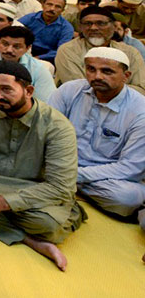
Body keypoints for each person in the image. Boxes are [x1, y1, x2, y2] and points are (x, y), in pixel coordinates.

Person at [0, 60, 84, 271]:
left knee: (47, 225)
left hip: (32, 187)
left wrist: (2, 202)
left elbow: (60, 187)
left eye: (6, 89)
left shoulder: (58, 127)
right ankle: (30, 241)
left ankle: (62, 217)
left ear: (28, 91)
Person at [47, 47, 145, 234]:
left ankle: (63, 185)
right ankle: (65, 185)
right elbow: (44, 131)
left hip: (106, 176)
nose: (97, 76)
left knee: (128, 198)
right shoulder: (70, 90)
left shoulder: (140, 111)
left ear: (126, 75)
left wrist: (75, 175)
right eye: (91, 69)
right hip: (61, 164)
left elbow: (130, 168)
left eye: (107, 71)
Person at [55, 6, 145, 94]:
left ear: (114, 27)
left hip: (125, 105)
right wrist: (117, 87)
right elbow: (79, 89)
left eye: (101, 23)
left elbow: (141, 89)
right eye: (88, 23)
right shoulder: (68, 50)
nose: (93, 28)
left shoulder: (131, 52)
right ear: (81, 28)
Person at [19, 0, 73, 64]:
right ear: (42, 5)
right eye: (49, 4)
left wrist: (38, 58)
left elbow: (61, 50)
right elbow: (13, 30)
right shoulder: (30, 18)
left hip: (48, 59)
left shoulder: (66, 28)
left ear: (63, 10)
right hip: (24, 52)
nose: (52, 9)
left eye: (58, 7)